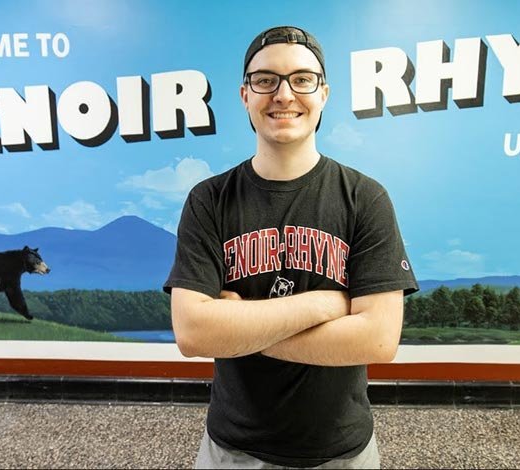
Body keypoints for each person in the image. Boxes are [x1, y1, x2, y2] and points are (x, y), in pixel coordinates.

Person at [164, 25, 418, 469]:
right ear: (245, 95)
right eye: (265, 80)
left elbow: (378, 340)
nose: (283, 94)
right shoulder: (209, 200)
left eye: (301, 79)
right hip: (233, 451)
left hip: (342, 453)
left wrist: (240, 327)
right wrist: (324, 305)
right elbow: (194, 334)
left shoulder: (364, 197)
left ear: (324, 94)